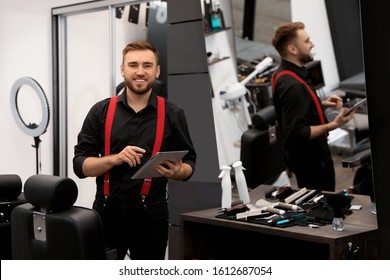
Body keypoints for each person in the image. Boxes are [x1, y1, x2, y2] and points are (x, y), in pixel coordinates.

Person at [73, 40, 196, 260]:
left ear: (157, 71)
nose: (140, 72)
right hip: (106, 210)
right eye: (133, 65)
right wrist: (114, 159)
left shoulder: (173, 114)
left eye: (147, 65)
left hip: (152, 213)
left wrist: (178, 172)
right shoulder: (100, 111)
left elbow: (190, 164)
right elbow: (80, 166)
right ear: (122, 69)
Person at [271, 22, 355, 192]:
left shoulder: (283, 72)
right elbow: (296, 131)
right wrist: (335, 124)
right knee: (321, 204)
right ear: (293, 49)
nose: (312, 45)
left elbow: (296, 107)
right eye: (307, 41)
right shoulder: (292, 85)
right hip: (311, 159)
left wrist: (321, 104)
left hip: (306, 156)